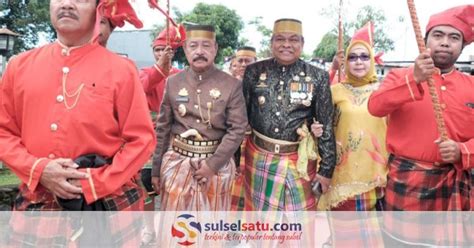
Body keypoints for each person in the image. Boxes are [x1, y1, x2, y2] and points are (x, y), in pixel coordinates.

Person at [0, 0, 155, 245]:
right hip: (39, 201)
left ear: (98, 9)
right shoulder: (19, 66)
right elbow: (3, 132)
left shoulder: (122, 70)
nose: (67, 4)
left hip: (107, 202)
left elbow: (142, 140)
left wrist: (97, 183)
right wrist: (38, 169)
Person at [368, 4, 473, 211]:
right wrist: (414, 79)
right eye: (438, 35)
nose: (444, 43)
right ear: (424, 41)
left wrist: (464, 151)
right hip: (407, 183)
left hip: (458, 187)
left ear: (462, 46)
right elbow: (375, 107)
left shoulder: (471, 85)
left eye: (454, 38)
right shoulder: (399, 76)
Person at [242, 18, 336, 211]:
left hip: (299, 160)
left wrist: (326, 169)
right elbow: (241, 118)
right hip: (259, 157)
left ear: (302, 44)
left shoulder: (318, 76)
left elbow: (325, 124)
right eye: (280, 39)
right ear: (271, 43)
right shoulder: (254, 72)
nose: (286, 44)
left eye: (293, 39)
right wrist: (234, 159)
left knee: (299, 223)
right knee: (262, 224)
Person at [151, 24, 247, 211]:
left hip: (217, 166)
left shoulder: (231, 84)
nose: (200, 51)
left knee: (211, 226)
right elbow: (163, 128)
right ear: (185, 49)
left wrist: (212, 166)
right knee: (176, 226)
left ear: (215, 49)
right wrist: (156, 170)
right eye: (193, 46)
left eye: (206, 46)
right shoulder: (173, 83)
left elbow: (237, 129)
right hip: (177, 163)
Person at [314, 22, 388, 211]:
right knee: (344, 233)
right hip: (342, 172)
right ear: (345, 62)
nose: (358, 61)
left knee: (373, 237)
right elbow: (315, 107)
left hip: (376, 171)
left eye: (364, 57)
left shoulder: (384, 91)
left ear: (372, 61)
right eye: (352, 57)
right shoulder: (336, 91)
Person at [139, 25, 185, 246]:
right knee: (146, 189)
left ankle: (171, 228)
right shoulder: (145, 74)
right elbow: (140, 88)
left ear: (173, 52)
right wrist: (160, 67)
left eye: (164, 50)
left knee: (173, 189)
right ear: (152, 51)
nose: (161, 53)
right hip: (149, 143)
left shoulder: (182, 76)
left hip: (174, 141)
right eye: (157, 50)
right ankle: (149, 230)